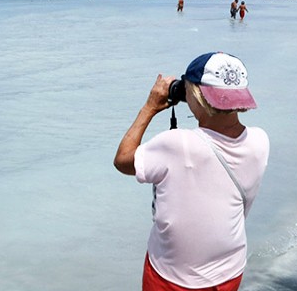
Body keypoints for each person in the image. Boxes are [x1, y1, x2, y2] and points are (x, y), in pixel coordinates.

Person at [113, 52, 269, 291]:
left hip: (172, 278)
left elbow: (123, 160)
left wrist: (150, 107)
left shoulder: (176, 144)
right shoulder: (260, 140)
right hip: (229, 270)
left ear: (195, 94)